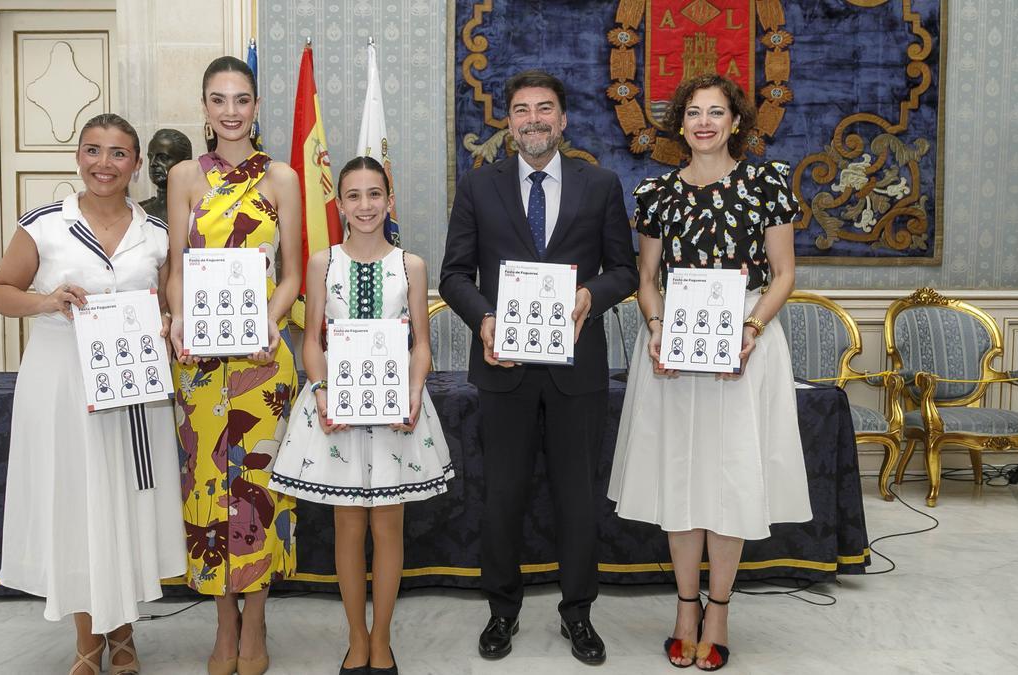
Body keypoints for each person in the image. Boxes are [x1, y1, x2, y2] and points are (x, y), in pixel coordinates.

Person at [607, 73, 812, 671]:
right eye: (693, 112)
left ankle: (718, 611)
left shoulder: (766, 183)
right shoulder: (655, 193)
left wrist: (748, 333)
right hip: (675, 345)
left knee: (729, 478)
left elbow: (783, 275)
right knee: (682, 478)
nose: (703, 122)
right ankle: (684, 608)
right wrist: (653, 327)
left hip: (746, 343)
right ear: (680, 125)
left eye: (715, 112)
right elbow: (647, 281)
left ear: (736, 122)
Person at [438, 69, 637, 665]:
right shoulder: (480, 187)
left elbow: (624, 270)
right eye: (521, 110)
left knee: (578, 498)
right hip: (505, 366)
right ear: (507, 121)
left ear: (564, 119)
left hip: (578, 369)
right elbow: (453, 275)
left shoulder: (600, 184)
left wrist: (590, 298)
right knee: (503, 496)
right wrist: (485, 320)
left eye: (544, 109)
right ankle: (502, 610)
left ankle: (579, 613)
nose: (533, 120)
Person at [0, 113, 184, 675]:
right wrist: (48, 300)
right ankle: (88, 641)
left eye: (119, 154)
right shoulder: (44, 225)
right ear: (78, 156)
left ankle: (123, 634)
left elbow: (168, 302)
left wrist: (170, 321)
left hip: (131, 387)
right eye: (94, 151)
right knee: (78, 505)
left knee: (123, 503)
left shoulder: (157, 233)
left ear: (137, 165)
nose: (105, 164)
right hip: (62, 383)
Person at [269, 156, 454, 675]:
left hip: (396, 412)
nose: (366, 205)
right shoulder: (322, 263)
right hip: (338, 414)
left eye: (375, 194)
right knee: (348, 528)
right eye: (354, 195)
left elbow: (421, 344)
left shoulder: (410, 265)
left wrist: (414, 393)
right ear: (340, 204)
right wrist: (324, 392)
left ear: (389, 201)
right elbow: (311, 342)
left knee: (388, 529)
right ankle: (355, 635)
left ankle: (382, 638)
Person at [164, 56, 303, 675]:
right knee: (208, 492)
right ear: (204, 109)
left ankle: (258, 623)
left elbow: (294, 274)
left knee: (258, 495)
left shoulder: (283, 178)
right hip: (200, 365)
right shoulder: (185, 177)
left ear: (254, 107)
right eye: (218, 100)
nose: (230, 111)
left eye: (241, 99)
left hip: (261, 361)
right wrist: (179, 322)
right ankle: (225, 625)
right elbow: (175, 269)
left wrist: (267, 321)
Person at [138, 128, 193, 222]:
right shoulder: (139, 212)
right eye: (150, 157)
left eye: (163, 158)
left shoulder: (199, 212)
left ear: (185, 161)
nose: (152, 163)